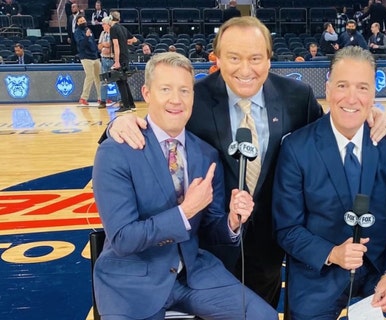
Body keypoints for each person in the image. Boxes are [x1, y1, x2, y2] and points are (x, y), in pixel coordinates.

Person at [103, 16, 386, 309]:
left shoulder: (297, 97)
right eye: (233, 57)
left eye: (255, 57)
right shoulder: (194, 98)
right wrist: (116, 126)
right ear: (217, 59)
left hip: (269, 244)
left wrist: (366, 118)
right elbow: (153, 130)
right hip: (206, 248)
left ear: (269, 59)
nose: (245, 69)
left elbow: (326, 136)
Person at [92, 52, 277, 320]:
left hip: (195, 275)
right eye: (165, 89)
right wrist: (185, 212)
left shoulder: (206, 153)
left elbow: (212, 228)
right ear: (146, 92)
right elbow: (123, 238)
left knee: (264, 317)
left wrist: (232, 222)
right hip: (132, 282)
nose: (176, 100)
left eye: (184, 90)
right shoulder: (116, 151)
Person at [272, 45, 386, 320]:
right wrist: (332, 253)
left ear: (374, 93)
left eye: (362, 87)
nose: (352, 98)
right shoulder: (297, 148)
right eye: (343, 85)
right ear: (328, 88)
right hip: (321, 270)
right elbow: (287, 229)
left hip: (382, 266)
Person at [109, 10, 138, 113]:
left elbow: (116, 45)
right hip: (126, 57)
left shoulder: (113, 29)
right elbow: (135, 39)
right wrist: (125, 42)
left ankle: (126, 106)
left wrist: (116, 61)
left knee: (120, 82)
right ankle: (131, 104)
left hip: (120, 58)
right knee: (124, 82)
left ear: (110, 18)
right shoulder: (123, 28)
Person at [75, 15, 102, 107]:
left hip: (95, 56)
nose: (83, 22)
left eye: (84, 20)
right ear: (77, 23)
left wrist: (97, 52)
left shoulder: (89, 30)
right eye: (81, 21)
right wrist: (86, 37)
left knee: (99, 78)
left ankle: (101, 98)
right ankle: (83, 98)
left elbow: (93, 43)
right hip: (85, 57)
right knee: (90, 76)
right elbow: (81, 45)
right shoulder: (77, 32)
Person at [98, 16, 116, 108]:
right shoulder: (102, 33)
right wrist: (105, 45)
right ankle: (103, 101)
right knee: (103, 81)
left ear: (108, 24)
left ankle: (120, 100)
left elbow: (111, 45)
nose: (102, 26)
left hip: (113, 60)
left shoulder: (113, 32)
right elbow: (99, 46)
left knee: (117, 80)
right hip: (104, 59)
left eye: (103, 24)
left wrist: (105, 45)